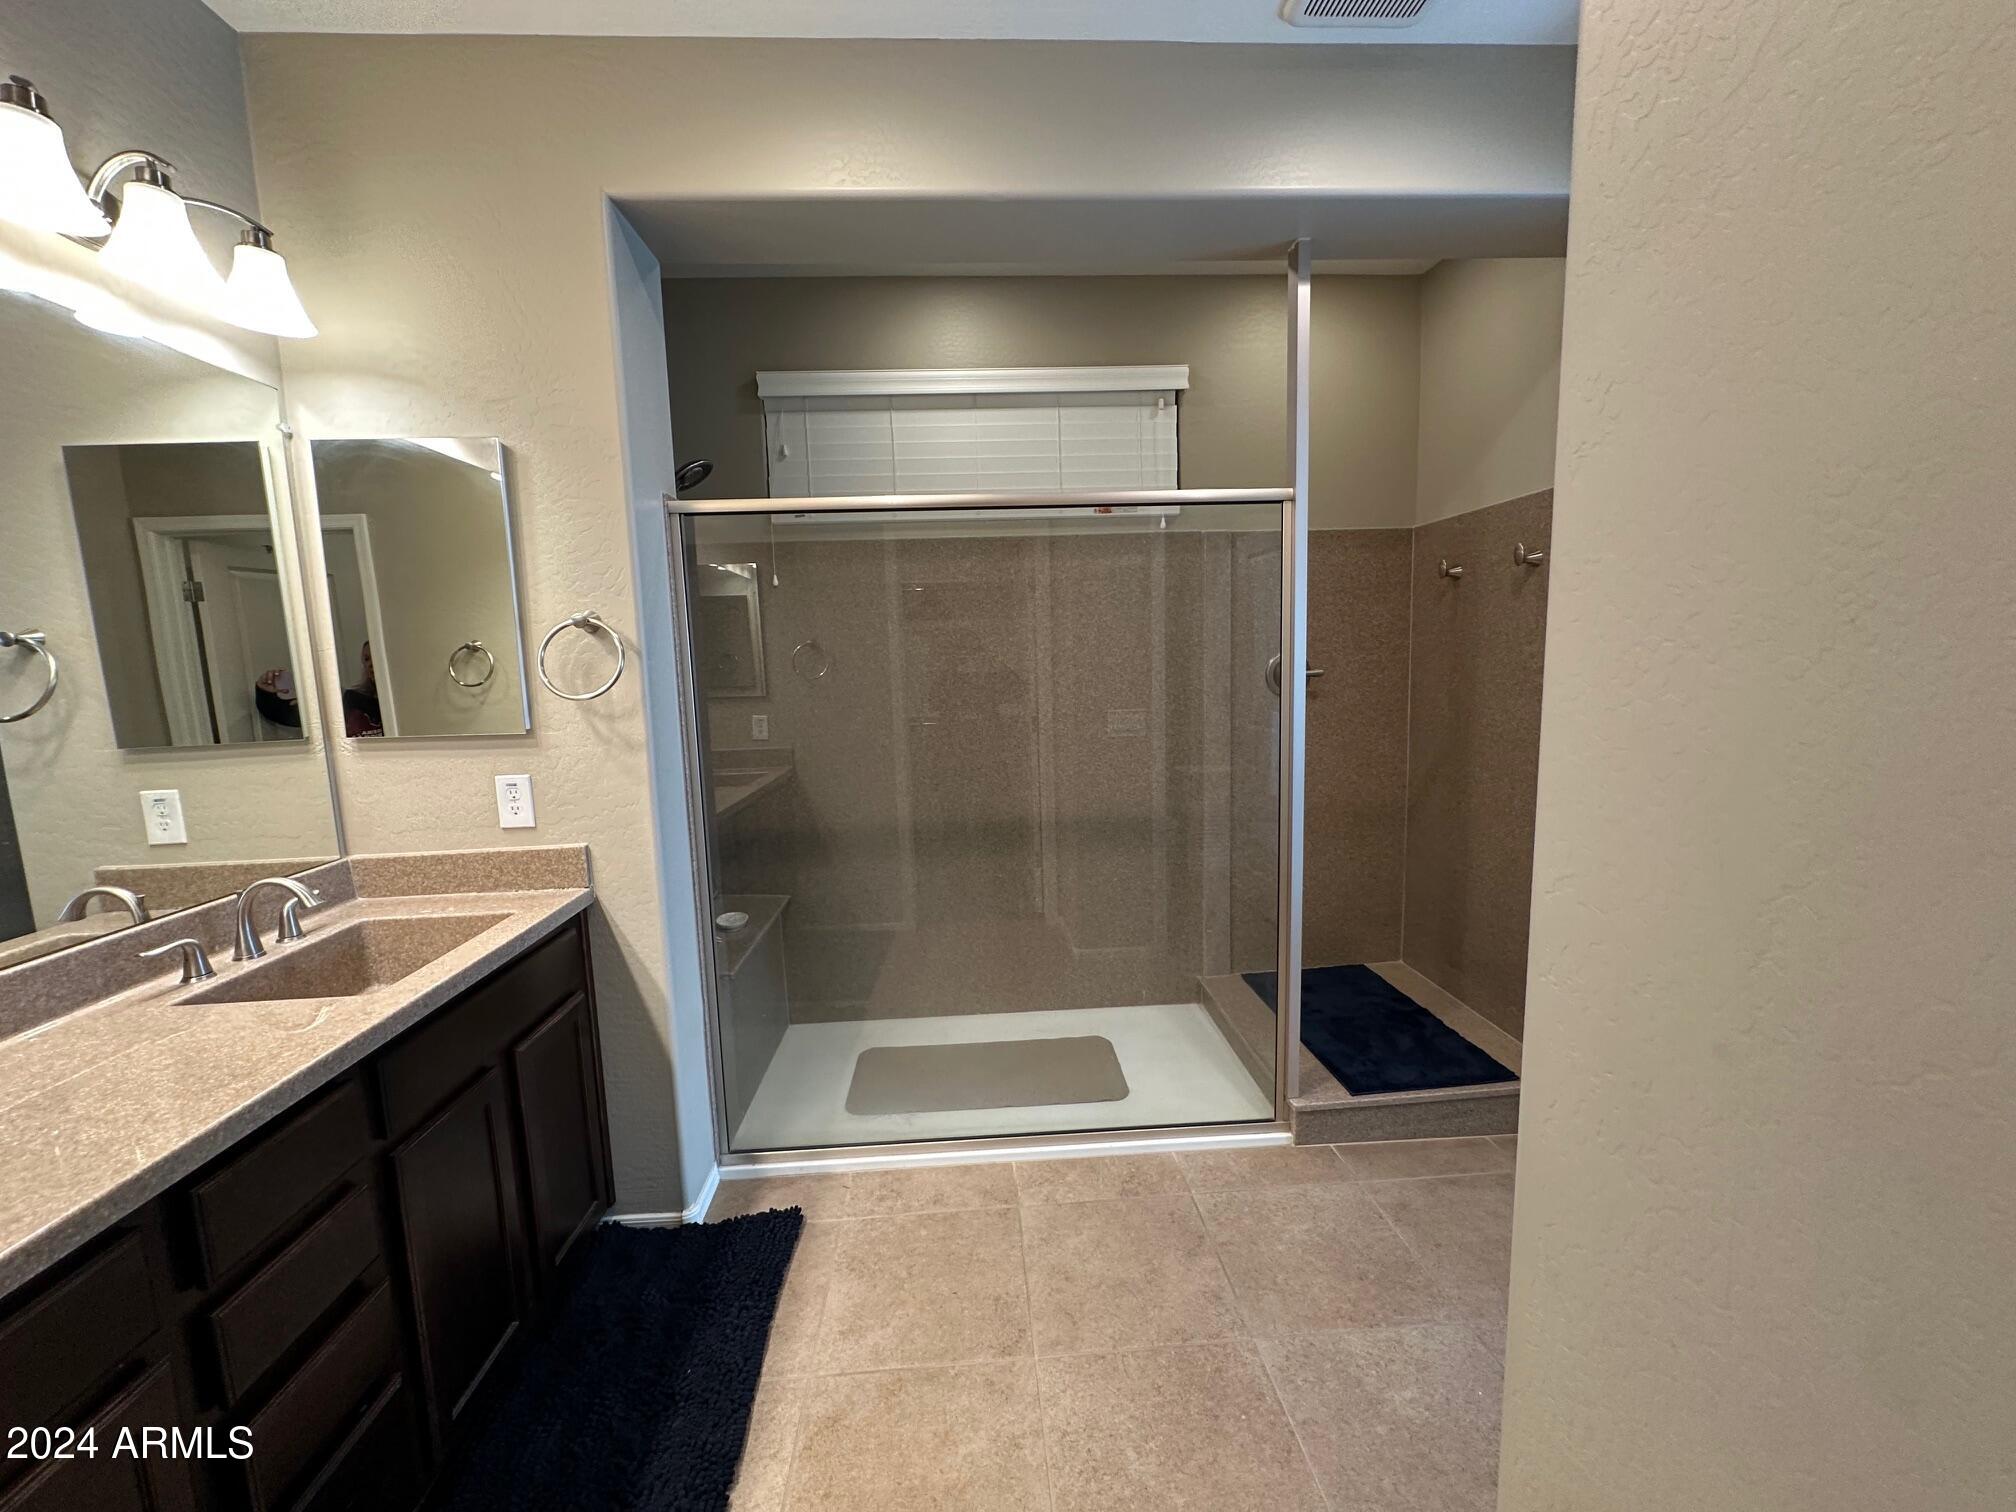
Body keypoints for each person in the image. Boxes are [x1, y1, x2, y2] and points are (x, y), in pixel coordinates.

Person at [255, 640, 384, 737]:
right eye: (366, 659)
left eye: (376, 655)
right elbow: (287, 714)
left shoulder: (399, 704)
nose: (371, 663)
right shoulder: (351, 700)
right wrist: (266, 694)